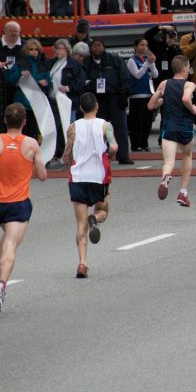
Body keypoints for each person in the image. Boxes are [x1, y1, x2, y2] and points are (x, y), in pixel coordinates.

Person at [0, 103, 48, 318]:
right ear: (24, 122)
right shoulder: (30, 144)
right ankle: (1, 283)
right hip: (18, 203)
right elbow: (42, 175)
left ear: (4, 120)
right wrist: (31, 162)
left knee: (6, 238)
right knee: (12, 243)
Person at [61, 92, 116, 278]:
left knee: (79, 224)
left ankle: (82, 263)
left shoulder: (73, 127)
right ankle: (96, 219)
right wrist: (110, 153)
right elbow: (114, 146)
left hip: (77, 177)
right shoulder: (105, 125)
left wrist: (69, 160)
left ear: (81, 108)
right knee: (103, 210)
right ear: (97, 106)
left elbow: (67, 153)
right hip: (99, 176)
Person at [148, 55, 196, 207]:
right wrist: (193, 109)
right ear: (184, 69)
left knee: (168, 162)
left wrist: (165, 99)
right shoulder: (189, 85)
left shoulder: (164, 84)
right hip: (185, 127)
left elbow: (151, 105)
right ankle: (183, 192)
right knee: (187, 154)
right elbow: (185, 99)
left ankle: (165, 178)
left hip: (168, 126)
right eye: (188, 66)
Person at [84, 39, 133, 163]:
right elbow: (83, 81)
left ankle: (123, 156)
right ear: (90, 49)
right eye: (94, 46)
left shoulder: (114, 59)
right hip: (98, 99)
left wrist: (124, 95)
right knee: (99, 128)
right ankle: (101, 155)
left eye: (99, 45)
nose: (96, 48)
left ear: (103, 47)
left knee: (120, 127)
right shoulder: (87, 63)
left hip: (115, 97)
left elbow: (125, 77)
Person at [126, 37, 158, 152]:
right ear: (135, 47)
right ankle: (136, 144)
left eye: (146, 45)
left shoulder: (146, 60)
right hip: (137, 95)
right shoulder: (132, 60)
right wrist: (147, 63)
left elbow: (155, 75)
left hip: (148, 95)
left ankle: (145, 143)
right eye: (141, 45)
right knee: (137, 121)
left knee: (147, 121)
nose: (144, 47)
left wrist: (152, 63)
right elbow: (137, 75)